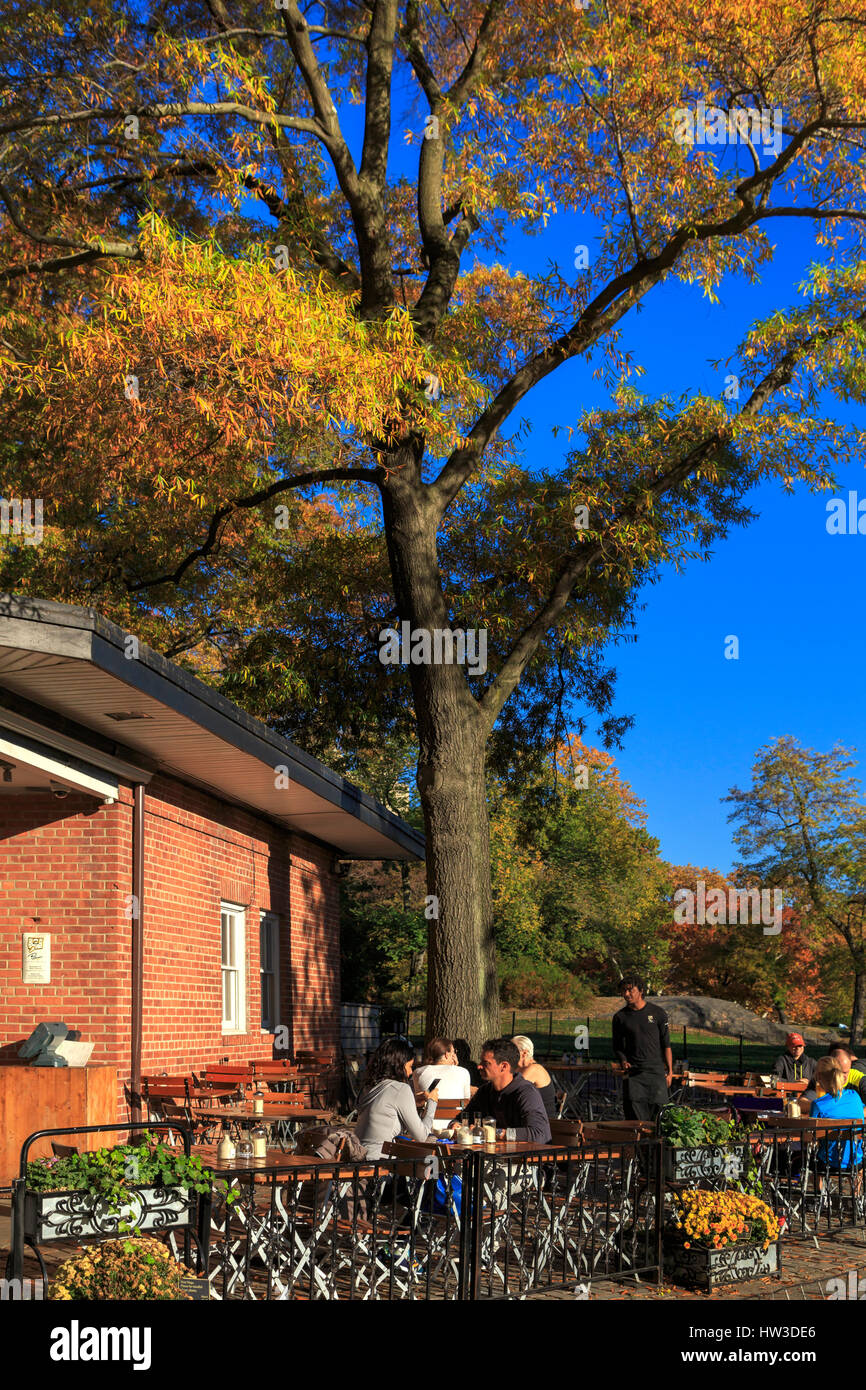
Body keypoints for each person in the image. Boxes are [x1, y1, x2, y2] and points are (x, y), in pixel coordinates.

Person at [354, 1037, 439, 1160]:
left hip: (359, 1157)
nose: (410, 1072)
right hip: (380, 1164)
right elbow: (422, 1136)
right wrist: (432, 1102)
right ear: (399, 1066)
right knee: (433, 1162)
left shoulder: (368, 1087)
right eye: (410, 1066)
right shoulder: (400, 1089)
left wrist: (413, 1102)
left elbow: (386, 1109)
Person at [462, 1038, 552, 1142]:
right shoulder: (485, 1091)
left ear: (504, 1066)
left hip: (525, 1156)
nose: (479, 1066)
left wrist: (496, 1133)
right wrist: (456, 1125)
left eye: (486, 1063)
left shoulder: (526, 1093)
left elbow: (539, 1133)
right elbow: (463, 1118)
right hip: (496, 1154)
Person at [612, 974, 672, 1121]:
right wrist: (623, 1061)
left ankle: (657, 1145)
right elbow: (617, 1046)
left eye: (630, 990)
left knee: (659, 1120)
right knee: (635, 1120)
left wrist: (670, 1071)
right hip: (634, 1076)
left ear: (641, 991)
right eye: (623, 991)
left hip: (656, 1074)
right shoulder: (620, 1017)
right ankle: (638, 1145)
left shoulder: (658, 1013)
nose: (626, 994)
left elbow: (666, 1044)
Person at [810, 1056, 864, 1173]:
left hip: (828, 1163)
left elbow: (810, 1135)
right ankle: (856, 1191)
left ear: (818, 1077)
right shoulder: (855, 1096)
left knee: (810, 1155)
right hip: (855, 1162)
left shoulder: (818, 1104)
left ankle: (819, 1191)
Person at [412, 1037, 471, 1130]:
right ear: (447, 1054)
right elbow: (466, 1100)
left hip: (427, 1126)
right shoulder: (463, 1072)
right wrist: (456, 1069)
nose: (454, 1054)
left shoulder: (418, 1072)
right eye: (454, 1051)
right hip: (454, 1127)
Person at [512, 1035, 557, 1118]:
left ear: (524, 1053)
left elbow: (512, 1089)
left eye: (511, 1051)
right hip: (528, 1117)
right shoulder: (518, 1068)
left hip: (544, 1123)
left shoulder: (534, 1069)